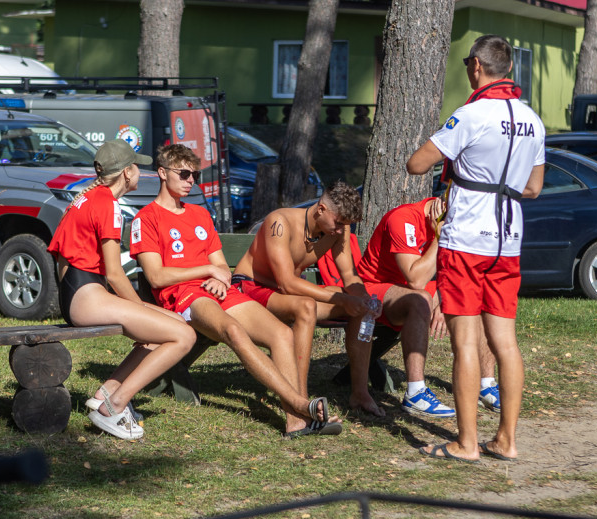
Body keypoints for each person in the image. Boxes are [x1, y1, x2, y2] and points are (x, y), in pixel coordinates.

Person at [131, 144, 341, 437]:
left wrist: (221, 278)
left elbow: (220, 266)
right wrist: (207, 271)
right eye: (184, 173)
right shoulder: (147, 218)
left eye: (195, 174)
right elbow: (155, 276)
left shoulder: (200, 215)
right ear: (163, 174)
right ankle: (297, 403)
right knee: (234, 331)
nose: (191, 179)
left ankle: (295, 421)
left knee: (282, 334)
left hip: (217, 292)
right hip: (183, 296)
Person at [406, 34, 545, 462]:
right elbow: (534, 187)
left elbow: (416, 163)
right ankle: (506, 439)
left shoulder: (470, 114)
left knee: (465, 343)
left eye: (469, 63)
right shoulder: (533, 120)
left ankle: (466, 443)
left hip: (467, 237)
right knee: (505, 342)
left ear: (478, 68)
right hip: (509, 238)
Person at [47, 139, 197, 440]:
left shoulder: (90, 198)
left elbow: (67, 262)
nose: (140, 173)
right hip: (87, 298)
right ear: (127, 173)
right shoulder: (108, 205)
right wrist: (140, 307)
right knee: (184, 335)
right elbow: (115, 274)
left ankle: (106, 393)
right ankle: (114, 406)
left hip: (81, 294)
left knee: (175, 323)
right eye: (137, 168)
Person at [232, 182, 385, 416]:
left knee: (359, 308)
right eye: (338, 222)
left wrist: (365, 300)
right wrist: (340, 299)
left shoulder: (337, 230)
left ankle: (360, 393)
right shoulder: (279, 222)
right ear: (321, 209)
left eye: (345, 225)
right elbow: (286, 282)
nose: (340, 230)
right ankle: (300, 398)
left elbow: (349, 276)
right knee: (306, 306)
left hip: (286, 295)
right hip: (251, 287)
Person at [351, 196, 501, 417]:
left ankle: (486, 385)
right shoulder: (403, 219)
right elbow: (416, 279)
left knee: (476, 294)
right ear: (443, 205)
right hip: (373, 289)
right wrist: (439, 238)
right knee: (419, 298)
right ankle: (415, 392)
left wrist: (442, 295)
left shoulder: (456, 221)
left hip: (416, 288)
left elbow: (463, 273)